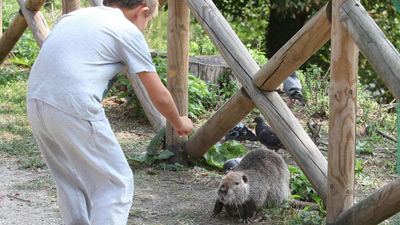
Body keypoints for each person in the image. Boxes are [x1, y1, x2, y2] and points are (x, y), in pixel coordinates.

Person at [26, 0, 193, 224]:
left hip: (37, 99)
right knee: (116, 184)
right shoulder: (127, 30)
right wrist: (178, 121)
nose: (145, 26)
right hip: (73, 103)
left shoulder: (75, 17)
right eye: (148, 20)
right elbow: (159, 95)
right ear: (142, 11)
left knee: (70, 180)